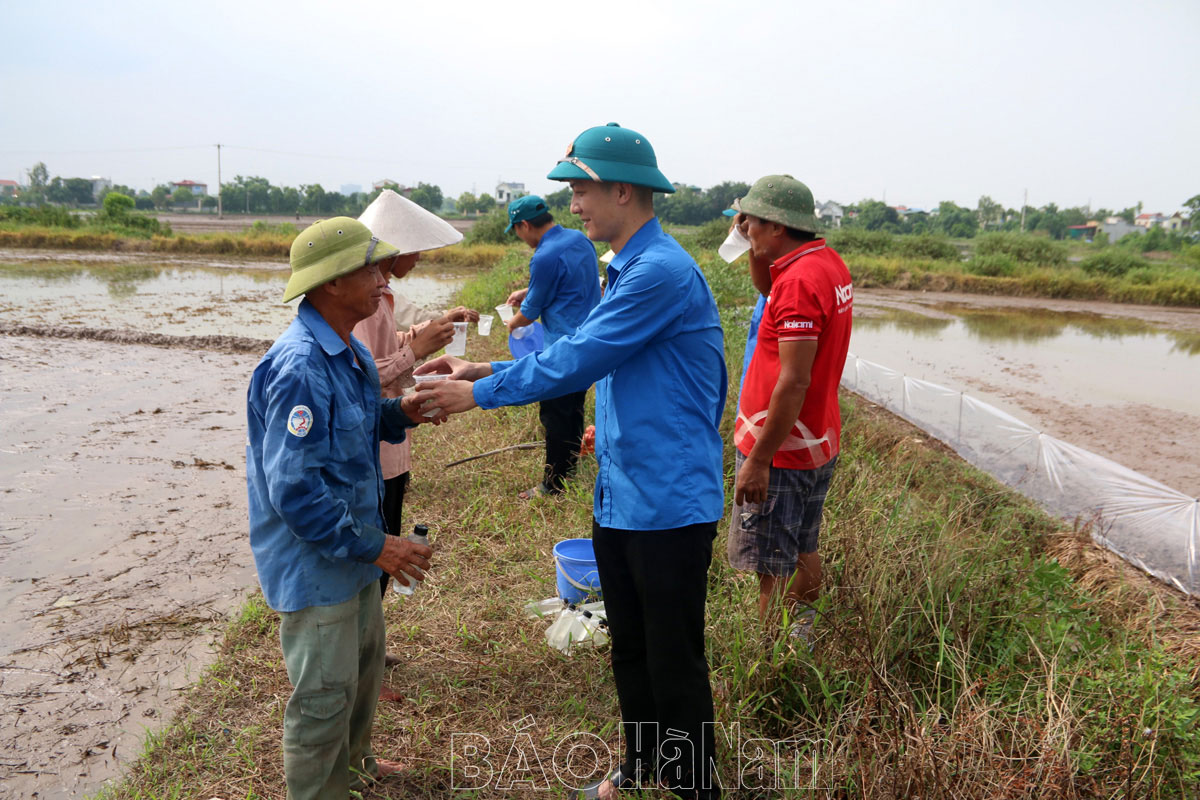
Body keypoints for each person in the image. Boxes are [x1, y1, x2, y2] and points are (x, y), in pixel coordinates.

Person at [414, 123, 726, 800]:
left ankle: (695, 785)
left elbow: (581, 357)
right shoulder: (628, 268)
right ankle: (642, 767)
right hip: (624, 493)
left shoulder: (661, 273)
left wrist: (478, 393)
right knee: (632, 647)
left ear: (623, 190)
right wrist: (485, 363)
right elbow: (588, 347)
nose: (573, 203)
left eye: (581, 189)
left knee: (674, 661)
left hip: (668, 502)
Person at [245, 217, 442, 798]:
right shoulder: (300, 367)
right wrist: (380, 545)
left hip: (354, 555)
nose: (385, 281)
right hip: (319, 565)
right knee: (323, 698)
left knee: (360, 675)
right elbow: (295, 491)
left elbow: (356, 427)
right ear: (332, 283)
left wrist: (403, 411)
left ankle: (356, 769)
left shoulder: (347, 349)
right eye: (372, 268)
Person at [726, 176, 853, 644]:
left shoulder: (800, 282)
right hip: (815, 437)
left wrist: (759, 459)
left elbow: (795, 378)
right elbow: (768, 294)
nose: (745, 231)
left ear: (776, 226)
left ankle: (768, 657)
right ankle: (803, 633)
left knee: (770, 565)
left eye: (751, 223)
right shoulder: (823, 262)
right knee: (803, 546)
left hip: (783, 450)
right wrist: (752, 248)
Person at [502, 194, 601, 499]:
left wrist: (513, 322)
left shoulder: (544, 255)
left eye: (516, 230)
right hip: (589, 341)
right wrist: (527, 289)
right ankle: (569, 468)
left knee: (555, 415)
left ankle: (552, 485)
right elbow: (568, 281)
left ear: (525, 225)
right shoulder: (579, 240)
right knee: (572, 409)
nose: (519, 236)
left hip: (561, 349)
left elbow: (530, 312)